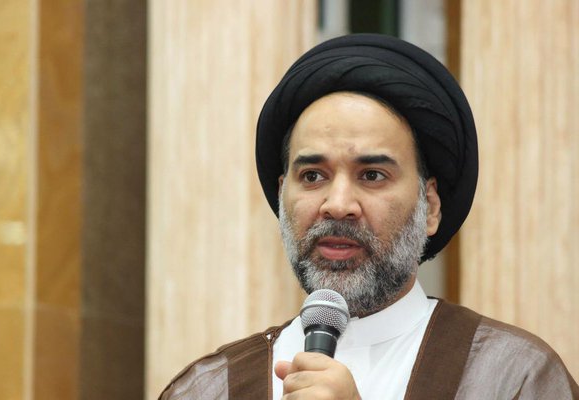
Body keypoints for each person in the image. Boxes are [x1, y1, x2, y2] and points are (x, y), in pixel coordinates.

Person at [159, 34, 578, 399]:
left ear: (430, 206)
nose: (338, 204)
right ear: (283, 196)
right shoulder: (208, 388)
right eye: (313, 175)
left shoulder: (513, 376)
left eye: (372, 175)